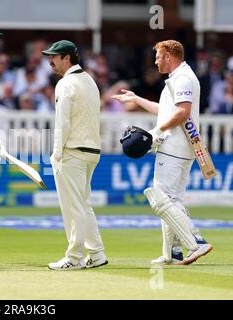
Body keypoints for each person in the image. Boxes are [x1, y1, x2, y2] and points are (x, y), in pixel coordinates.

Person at [112, 40, 212, 265]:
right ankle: (172, 253)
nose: (155, 61)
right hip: (179, 146)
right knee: (171, 200)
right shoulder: (178, 78)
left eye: (158, 56)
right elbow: (167, 110)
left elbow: (182, 113)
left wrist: (157, 131)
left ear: (168, 55)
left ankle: (196, 241)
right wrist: (136, 99)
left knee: (160, 199)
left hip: (175, 146)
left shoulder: (184, 78)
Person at [42, 40, 108, 270]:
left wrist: (56, 153)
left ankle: (74, 257)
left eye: (54, 57)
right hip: (92, 151)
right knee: (83, 204)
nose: (50, 61)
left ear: (67, 58)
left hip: (73, 151)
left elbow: (63, 122)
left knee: (73, 207)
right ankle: (97, 253)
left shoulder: (66, 83)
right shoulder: (89, 80)